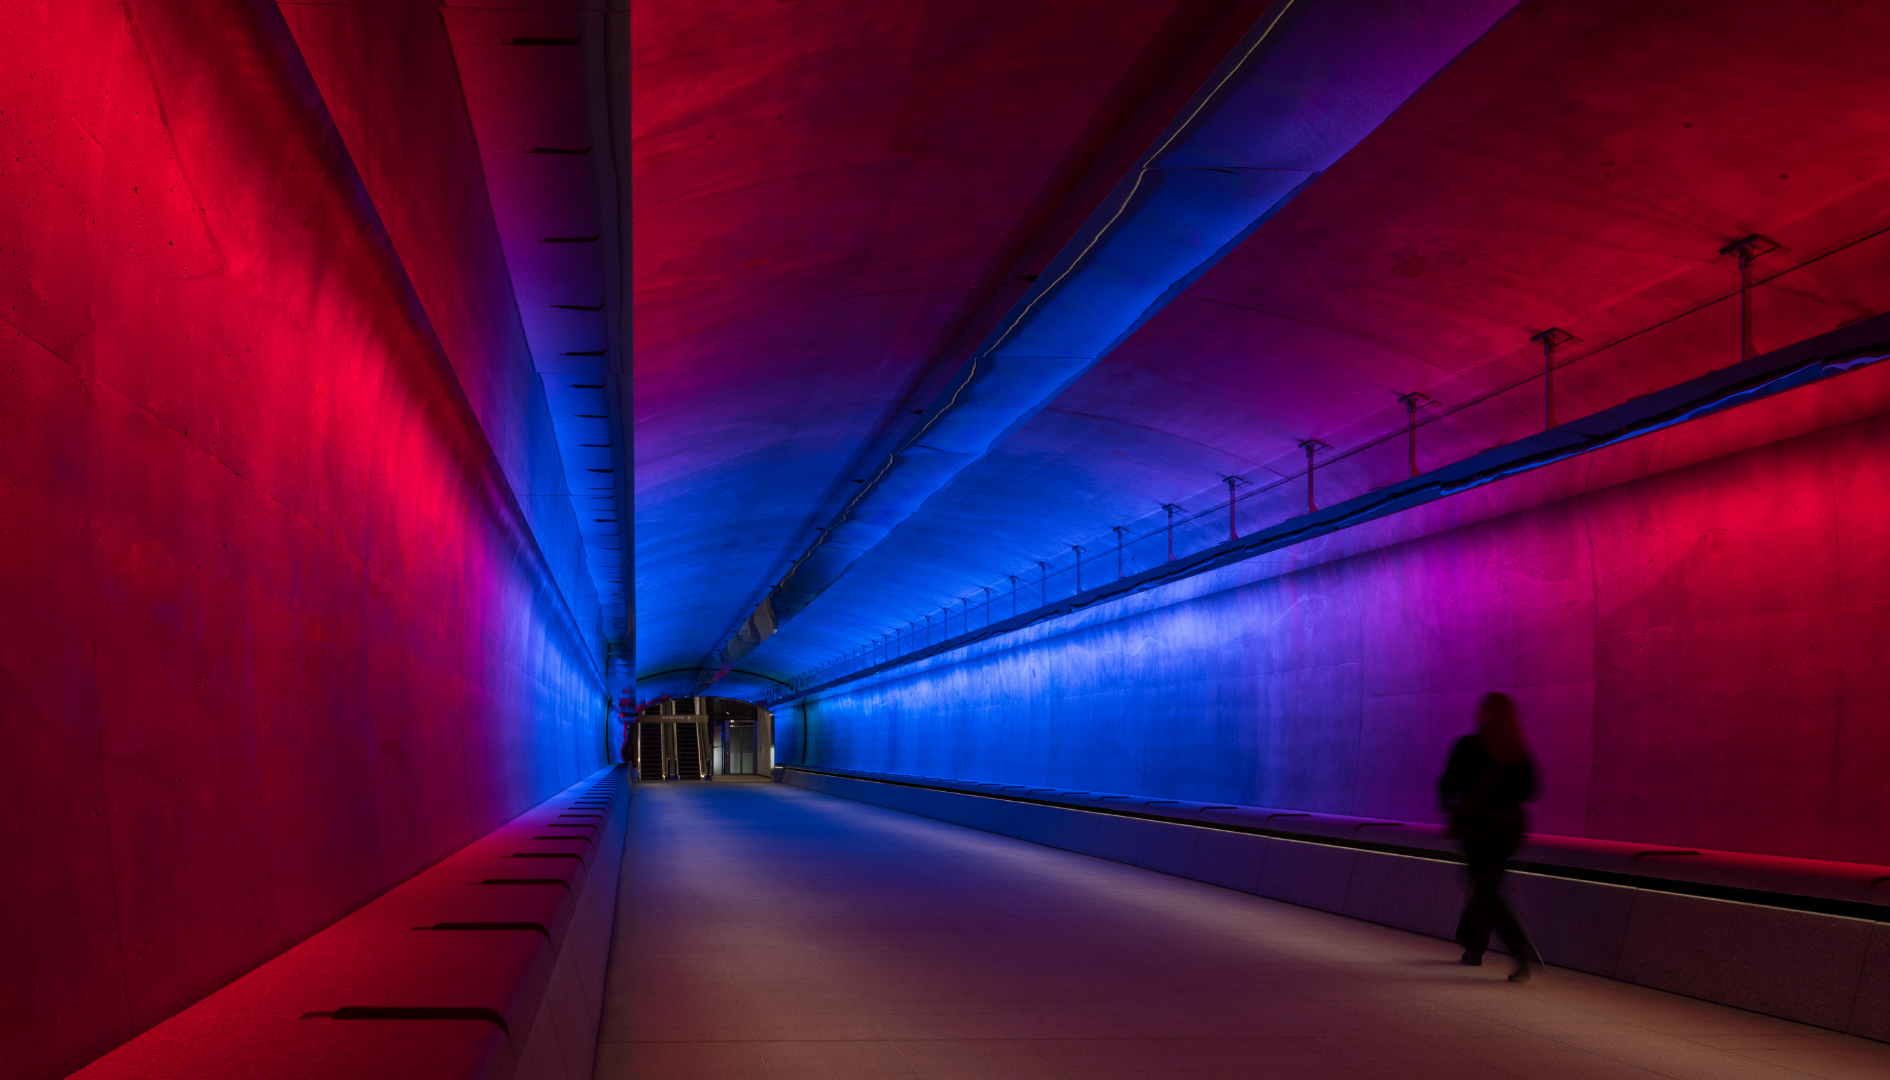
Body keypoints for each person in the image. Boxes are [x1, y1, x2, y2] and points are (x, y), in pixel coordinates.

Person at [1439, 692, 1540, 981]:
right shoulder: (1518, 749)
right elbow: (1530, 790)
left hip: (1478, 826)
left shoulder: (1470, 746)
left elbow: (1448, 782)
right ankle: (1473, 945)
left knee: (1486, 889)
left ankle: (1518, 946)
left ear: (1488, 713)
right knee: (1487, 886)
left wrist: (1450, 809)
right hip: (1508, 827)